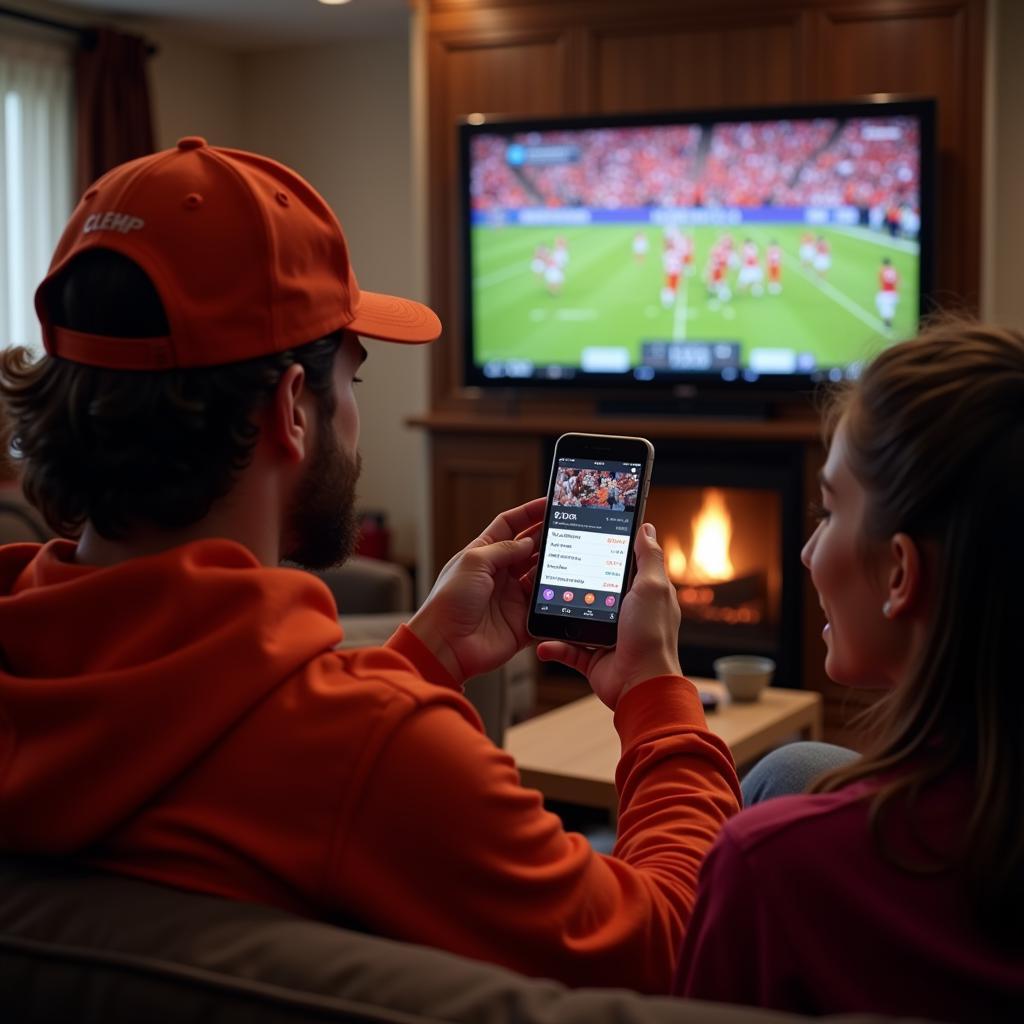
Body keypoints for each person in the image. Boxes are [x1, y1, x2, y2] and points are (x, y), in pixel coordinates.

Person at [0, 137, 740, 994]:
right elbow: (673, 948)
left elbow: (250, 751)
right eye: (353, 378)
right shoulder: (376, 756)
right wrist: (657, 694)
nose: (354, 411)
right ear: (293, 410)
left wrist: (417, 660)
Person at [675, 320, 1024, 1019]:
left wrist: (657, 698)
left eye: (829, 509)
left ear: (900, 571)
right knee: (793, 766)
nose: (808, 552)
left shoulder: (773, 869)